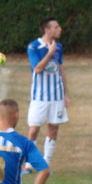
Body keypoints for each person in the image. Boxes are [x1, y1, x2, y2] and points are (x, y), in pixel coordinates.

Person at [26, 18, 69, 169]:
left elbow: (61, 70)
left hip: (56, 96)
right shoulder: (33, 47)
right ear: (47, 30)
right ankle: (29, 163)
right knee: (33, 129)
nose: (60, 29)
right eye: (56, 27)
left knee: (53, 128)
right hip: (39, 97)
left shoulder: (59, 47)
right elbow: (37, 69)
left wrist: (65, 94)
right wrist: (50, 53)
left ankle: (45, 163)